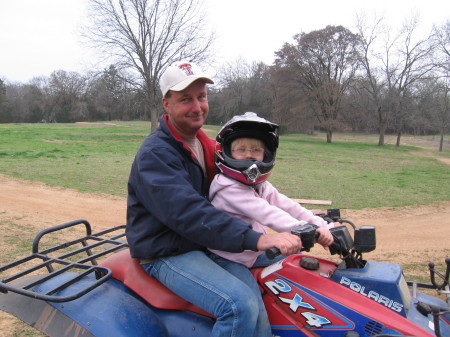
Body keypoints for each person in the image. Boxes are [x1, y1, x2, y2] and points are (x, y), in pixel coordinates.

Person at [125, 61, 301, 337]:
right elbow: (190, 214)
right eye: (185, 99)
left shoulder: (204, 144)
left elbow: (254, 192)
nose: (197, 106)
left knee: (277, 282)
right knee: (238, 305)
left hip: (203, 242)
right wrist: (258, 238)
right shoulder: (156, 155)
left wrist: (312, 221)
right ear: (167, 104)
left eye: (201, 97)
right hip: (167, 251)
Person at [209, 112, 334, 268]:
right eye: (241, 149)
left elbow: (287, 205)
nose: (249, 155)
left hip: (253, 254)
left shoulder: (260, 185)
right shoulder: (227, 188)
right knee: (250, 294)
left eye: (256, 150)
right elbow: (269, 214)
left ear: (266, 154)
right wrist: (310, 230)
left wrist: (322, 224)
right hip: (229, 258)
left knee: (297, 266)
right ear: (227, 151)